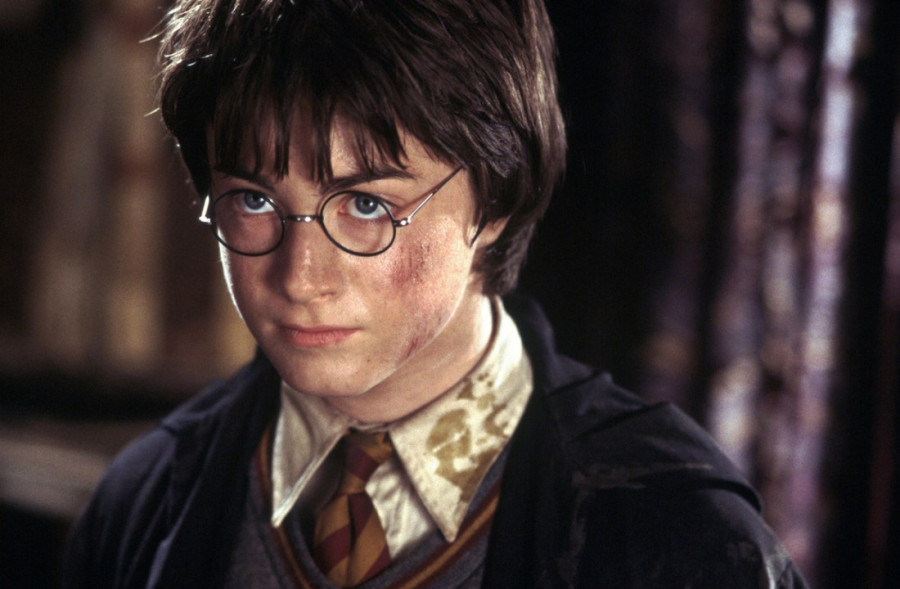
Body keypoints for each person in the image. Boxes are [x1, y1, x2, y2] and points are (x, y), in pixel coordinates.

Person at [63, 0, 807, 587]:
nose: (300, 277)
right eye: (254, 200)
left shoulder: (676, 537)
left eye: (366, 205)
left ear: (494, 201)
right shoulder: (142, 500)